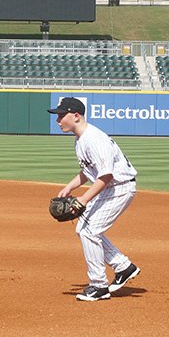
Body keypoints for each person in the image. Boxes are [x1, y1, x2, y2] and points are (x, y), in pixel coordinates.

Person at [48, 97, 140, 302]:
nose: (58, 120)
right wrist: (70, 186)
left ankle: (99, 286)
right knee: (85, 229)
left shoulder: (94, 139)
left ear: (76, 116)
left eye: (61, 115)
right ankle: (124, 267)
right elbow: (89, 171)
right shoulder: (81, 139)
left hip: (120, 188)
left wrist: (83, 199)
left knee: (90, 231)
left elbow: (106, 175)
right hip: (112, 188)